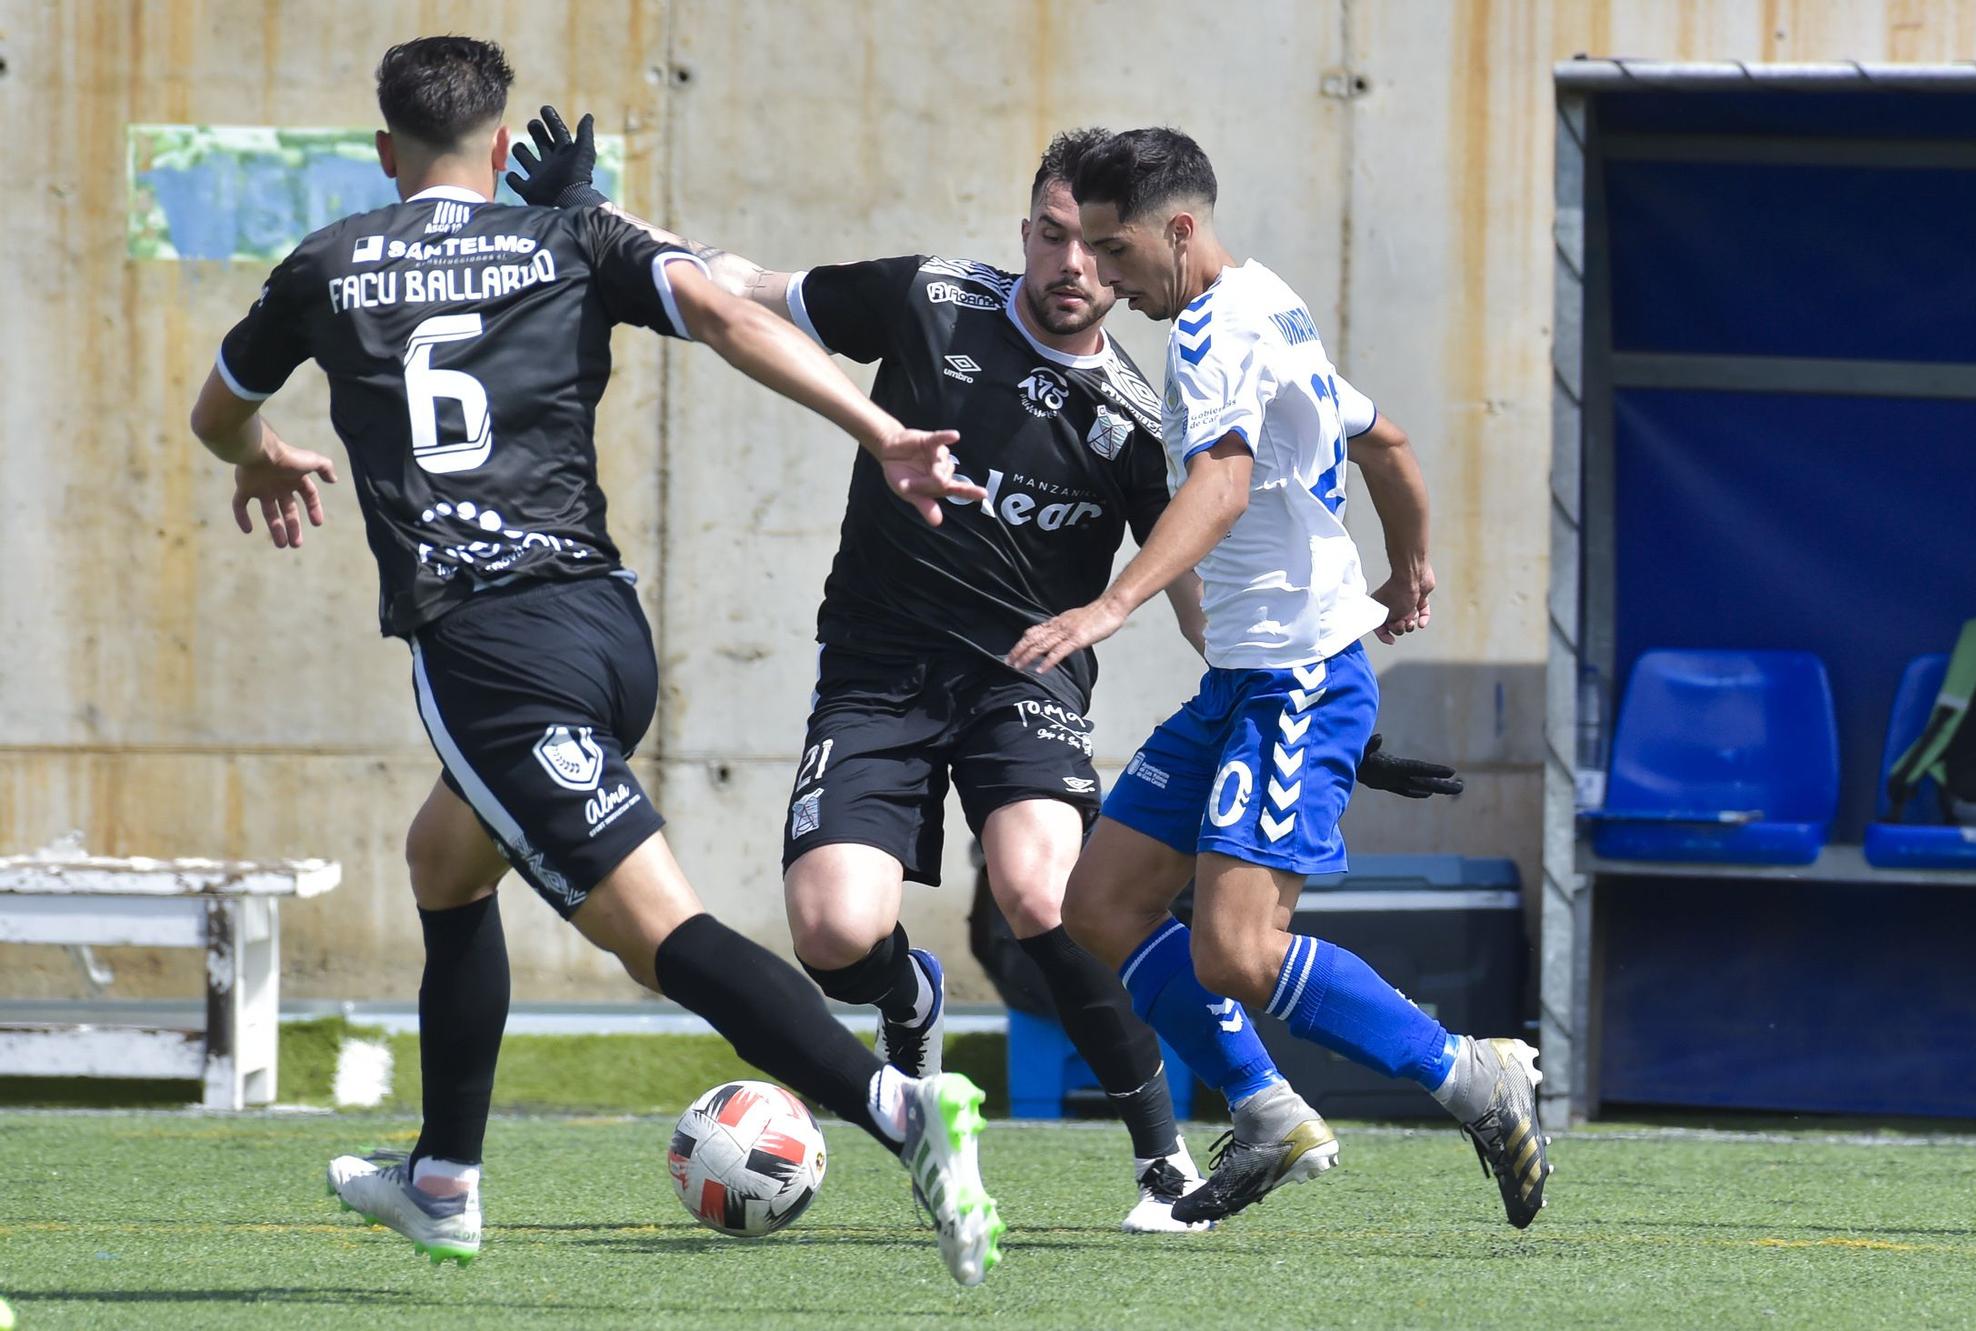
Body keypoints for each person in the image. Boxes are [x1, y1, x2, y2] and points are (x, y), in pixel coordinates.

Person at [508, 114, 1464, 1233]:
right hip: (876, 669)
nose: (1076, 269)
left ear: (1129, 252)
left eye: (1098, 250)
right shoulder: (930, 297)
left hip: (1024, 679)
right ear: (1028, 231)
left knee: (1045, 892)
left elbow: (1209, 606)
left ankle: (1163, 1155)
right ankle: (906, 996)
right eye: (1055, 238)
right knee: (829, 932)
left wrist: (1341, 727)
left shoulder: (1139, 419)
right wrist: (597, 217)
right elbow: (742, 286)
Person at [186, 36, 1001, 1284]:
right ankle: (444, 1179)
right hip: (607, 632)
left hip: (490, 648)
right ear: (504, 148)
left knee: (654, 931)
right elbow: (731, 308)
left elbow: (214, 412)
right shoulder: (572, 237)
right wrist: (881, 427)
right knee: (443, 859)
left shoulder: (327, 263)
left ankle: (895, 1108)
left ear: (384, 151)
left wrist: (256, 453)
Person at [1007, 127, 1550, 1229]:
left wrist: (1111, 604)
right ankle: (1262, 1108)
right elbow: (1385, 442)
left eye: (1114, 253)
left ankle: (1465, 1074)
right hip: (1249, 681)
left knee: (1236, 951)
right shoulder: (1268, 302)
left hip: (1294, 678)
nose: (1103, 279)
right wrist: (1409, 566)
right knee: (1100, 904)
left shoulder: (1214, 333)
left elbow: (1216, 484)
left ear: (1179, 229)